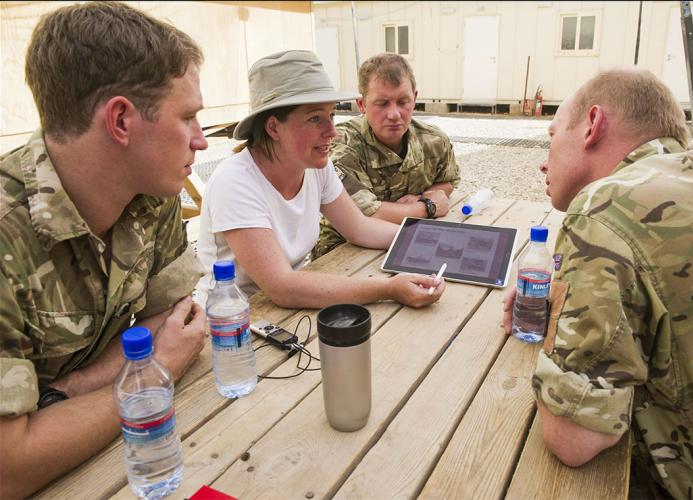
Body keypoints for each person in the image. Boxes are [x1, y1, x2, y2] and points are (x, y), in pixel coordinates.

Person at [502, 69, 693, 499]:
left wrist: (560, 311)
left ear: (593, 125)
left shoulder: (604, 208)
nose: (544, 159)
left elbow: (574, 439)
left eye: (553, 135)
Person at [0, 3, 209, 497]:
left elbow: (173, 318)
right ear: (120, 120)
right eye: (188, 117)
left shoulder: (151, 194)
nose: (201, 140)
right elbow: (9, 467)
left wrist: (65, 394)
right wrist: (159, 375)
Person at [195, 50, 445, 309]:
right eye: (315, 118)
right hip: (231, 323)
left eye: (331, 115)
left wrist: (432, 240)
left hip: (290, 310)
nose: (332, 132)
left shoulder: (314, 167)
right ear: (273, 128)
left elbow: (360, 228)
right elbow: (282, 287)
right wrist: (389, 288)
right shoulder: (235, 182)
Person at [311, 53, 461, 259]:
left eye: (403, 101)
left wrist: (423, 196)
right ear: (361, 104)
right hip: (344, 248)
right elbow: (366, 214)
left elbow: (448, 180)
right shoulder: (342, 145)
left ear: (415, 99)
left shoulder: (433, 140)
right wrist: (428, 207)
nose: (394, 114)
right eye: (382, 103)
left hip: (409, 237)